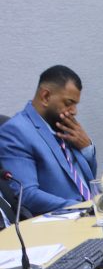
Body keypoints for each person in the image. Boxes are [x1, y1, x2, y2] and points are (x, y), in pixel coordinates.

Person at [0, 66, 96, 216]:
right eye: (68, 103)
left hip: (92, 213)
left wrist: (87, 149)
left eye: (75, 104)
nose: (74, 111)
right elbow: (27, 195)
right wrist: (82, 207)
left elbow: (87, 181)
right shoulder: (16, 131)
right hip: (63, 221)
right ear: (45, 96)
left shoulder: (63, 125)